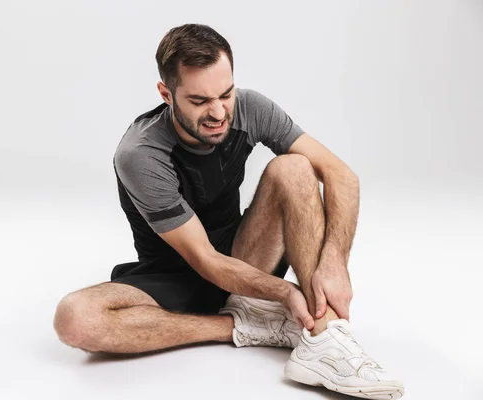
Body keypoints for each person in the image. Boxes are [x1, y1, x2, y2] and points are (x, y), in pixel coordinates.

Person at [53, 23, 404, 399]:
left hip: (244, 255)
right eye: (200, 101)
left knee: (294, 167)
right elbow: (204, 259)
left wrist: (334, 261)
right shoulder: (141, 153)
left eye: (226, 93)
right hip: (177, 275)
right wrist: (284, 294)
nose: (219, 112)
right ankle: (245, 325)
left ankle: (326, 338)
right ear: (166, 94)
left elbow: (341, 175)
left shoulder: (250, 108)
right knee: (74, 318)